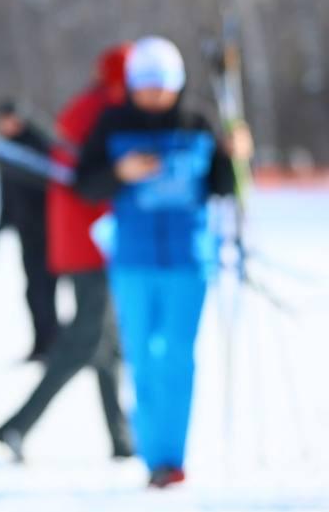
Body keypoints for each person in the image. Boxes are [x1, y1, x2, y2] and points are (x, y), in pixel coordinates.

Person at [73, 36, 249, 488]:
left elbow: (223, 186)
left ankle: (170, 456)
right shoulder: (112, 124)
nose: (155, 95)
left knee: (177, 356)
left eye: (163, 86)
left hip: (189, 260)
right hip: (132, 259)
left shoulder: (197, 124)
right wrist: (120, 173)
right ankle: (151, 451)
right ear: (132, 85)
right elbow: (84, 185)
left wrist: (235, 156)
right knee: (141, 356)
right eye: (146, 85)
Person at [0, 45, 135, 462]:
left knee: (104, 343)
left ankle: (121, 439)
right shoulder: (105, 108)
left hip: (81, 239)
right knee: (85, 340)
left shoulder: (85, 105)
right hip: (93, 241)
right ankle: (16, 425)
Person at [0, 100, 59, 360]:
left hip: (47, 232)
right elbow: (7, 193)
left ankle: (52, 343)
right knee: (33, 289)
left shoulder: (38, 144)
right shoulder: (7, 149)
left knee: (45, 288)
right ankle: (41, 343)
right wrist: (2, 222)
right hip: (26, 230)